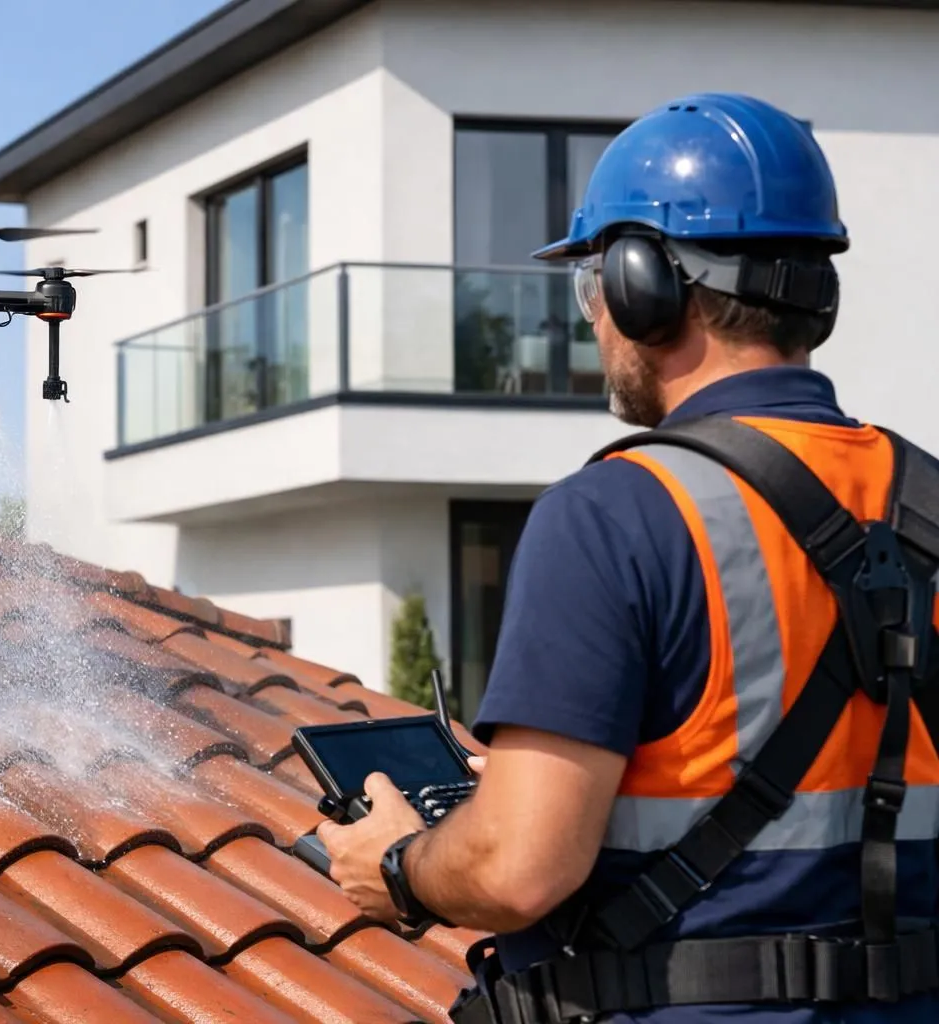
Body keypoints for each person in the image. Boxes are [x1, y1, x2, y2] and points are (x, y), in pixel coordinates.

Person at [315, 92, 939, 1023]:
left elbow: (518, 873)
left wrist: (401, 867)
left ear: (646, 285)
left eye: (593, 282)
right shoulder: (923, 498)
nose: (593, 318)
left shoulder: (614, 513)